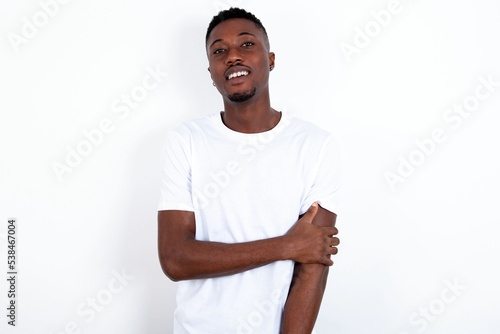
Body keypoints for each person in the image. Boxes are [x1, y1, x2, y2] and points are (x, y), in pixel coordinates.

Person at [158, 7, 341, 334]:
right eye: (219, 51)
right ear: (211, 71)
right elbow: (175, 259)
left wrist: (300, 247)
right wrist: (286, 245)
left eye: (246, 45)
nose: (232, 57)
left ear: (270, 59)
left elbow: (312, 262)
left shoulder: (314, 145)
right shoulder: (186, 141)